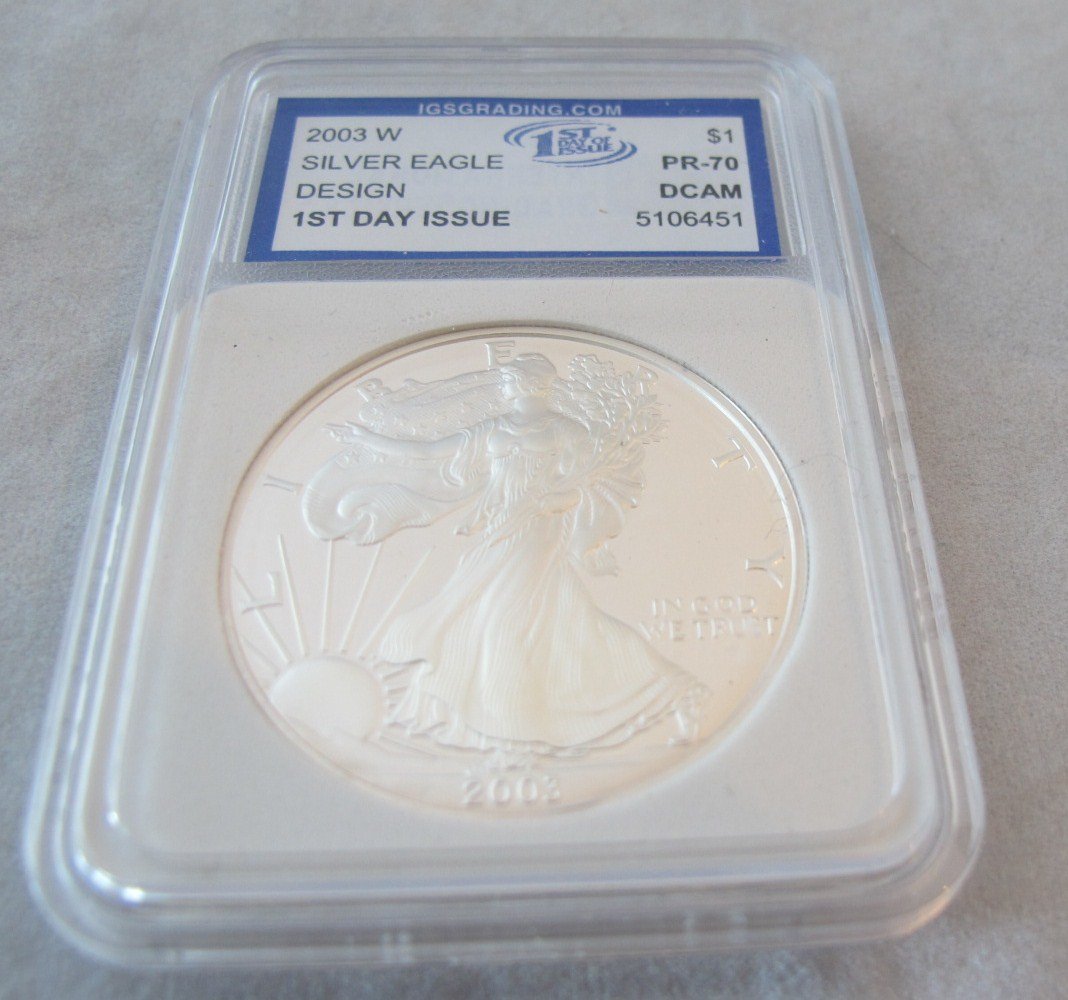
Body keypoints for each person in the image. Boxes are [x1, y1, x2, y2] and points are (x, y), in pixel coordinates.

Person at [302, 351, 704, 755]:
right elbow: (430, 452)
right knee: (523, 614)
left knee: (503, 615)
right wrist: (369, 440)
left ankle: (511, 720)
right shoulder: (495, 427)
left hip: (539, 530)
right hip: (499, 529)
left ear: (528, 384)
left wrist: (550, 504)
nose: (506, 386)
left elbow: (584, 484)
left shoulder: (566, 430)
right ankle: (654, 688)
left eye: (510, 380)